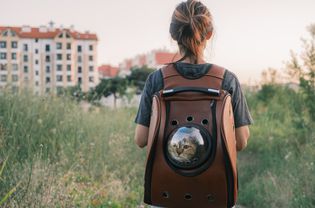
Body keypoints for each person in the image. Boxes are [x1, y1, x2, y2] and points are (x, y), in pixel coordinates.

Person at [134, 0, 253, 207]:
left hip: (167, 191)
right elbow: (241, 142)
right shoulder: (227, 80)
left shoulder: (157, 80)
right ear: (209, 34)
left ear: (173, 35)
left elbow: (141, 139)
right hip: (214, 191)